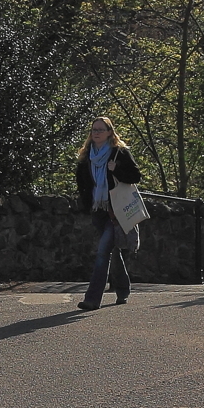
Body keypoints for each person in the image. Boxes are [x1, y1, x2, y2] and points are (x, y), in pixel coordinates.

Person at [74, 116, 142, 311]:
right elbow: (82, 184)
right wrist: (87, 204)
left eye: (100, 129)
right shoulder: (87, 156)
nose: (96, 133)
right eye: (94, 129)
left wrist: (117, 170)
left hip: (116, 211)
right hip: (98, 211)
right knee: (112, 251)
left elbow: (136, 176)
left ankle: (92, 299)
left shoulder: (119, 153)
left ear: (110, 132)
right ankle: (123, 289)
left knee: (103, 252)